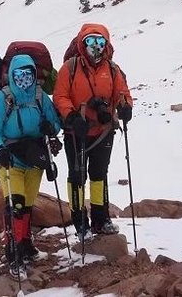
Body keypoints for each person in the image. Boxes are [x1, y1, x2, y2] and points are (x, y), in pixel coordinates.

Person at [53, 23, 133, 237]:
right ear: (82, 43)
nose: (95, 46)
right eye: (90, 41)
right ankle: (79, 221)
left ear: (106, 44)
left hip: (103, 131)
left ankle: (101, 218)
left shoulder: (113, 69)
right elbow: (60, 96)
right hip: (75, 133)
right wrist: (71, 116)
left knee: (99, 175)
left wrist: (126, 106)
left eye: (100, 41)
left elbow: (122, 93)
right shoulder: (69, 68)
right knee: (77, 177)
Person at [0, 54, 62, 274]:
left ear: (34, 75)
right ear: (11, 75)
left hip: (34, 158)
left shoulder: (40, 96)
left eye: (28, 74)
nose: (23, 79)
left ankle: (26, 244)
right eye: (19, 75)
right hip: (10, 160)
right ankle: (14, 251)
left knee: (27, 204)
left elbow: (55, 123)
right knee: (15, 206)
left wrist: (51, 127)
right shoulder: (2, 98)